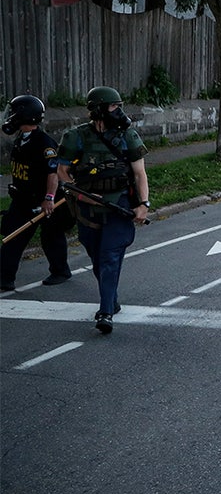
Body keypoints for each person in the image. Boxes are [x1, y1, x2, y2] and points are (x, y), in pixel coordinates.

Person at [55, 86, 150, 333]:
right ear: (98, 110)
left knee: (109, 257)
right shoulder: (75, 137)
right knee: (97, 257)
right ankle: (111, 299)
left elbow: (140, 173)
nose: (119, 112)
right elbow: (62, 172)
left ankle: (105, 311)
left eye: (119, 106)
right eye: (113, 107)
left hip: (118, 206)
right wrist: (81, 195)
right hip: (87, 209)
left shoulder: (128, 136)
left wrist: (143, 204)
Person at [1, 94, 72, 291]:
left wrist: (49, 198)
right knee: (12, 236)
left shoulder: (44, 144)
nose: (11, 117)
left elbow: (53, 173)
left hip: (43, 200)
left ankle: (60, 271)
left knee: (51, 237)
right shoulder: (21, 139)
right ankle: (4, 279)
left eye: (14, 113)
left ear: (24, 116)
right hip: (22, 199)